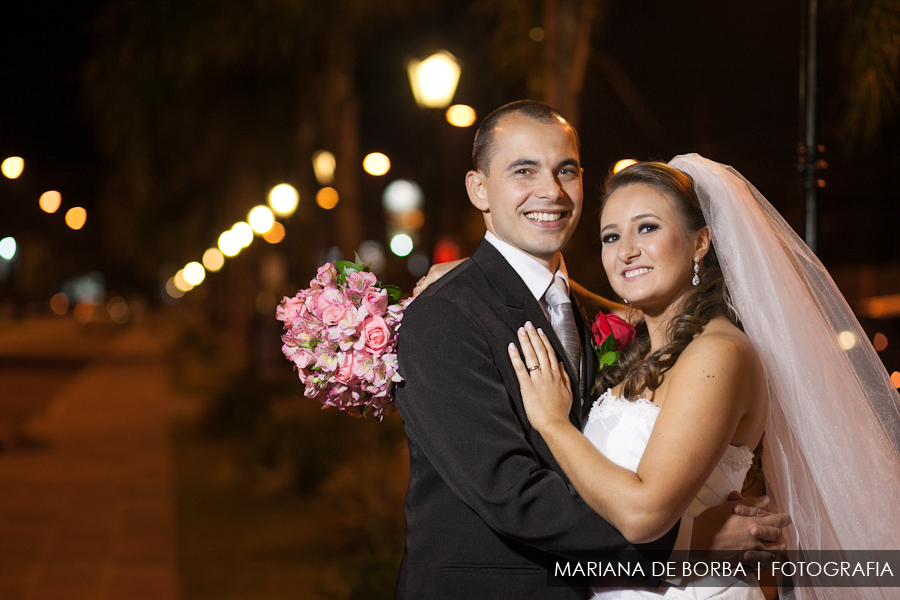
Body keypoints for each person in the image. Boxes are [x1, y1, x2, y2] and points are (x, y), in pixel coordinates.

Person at [393, 101, 791, 600]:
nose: (551, 192)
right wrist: (689, 543)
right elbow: (511, 493)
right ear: (479, 190)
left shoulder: (605, 319)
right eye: (524, 171)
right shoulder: (445, 315)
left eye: (565, 171)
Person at [507, 155, 900, 600]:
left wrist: (553, 422)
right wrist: (478, 274)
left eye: (648, 227)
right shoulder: (646, 347)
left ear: (700, 243)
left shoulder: (718, 354)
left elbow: (642, 515)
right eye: (611, 236)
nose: (626, 250)